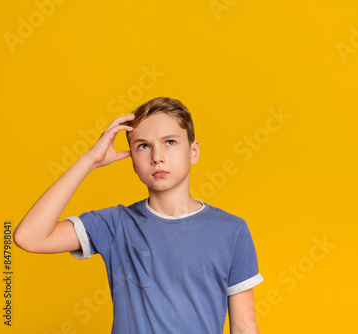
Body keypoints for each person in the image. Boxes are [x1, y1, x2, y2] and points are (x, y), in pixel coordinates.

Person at [14, 97, 264, 333]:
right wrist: (90, 160)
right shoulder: (114, 224)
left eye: (170, 142)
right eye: (143, 146)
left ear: (193, 151)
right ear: (132, 159)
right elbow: (29, 237)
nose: (157, 157)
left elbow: (244, 325)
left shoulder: (231, 230)